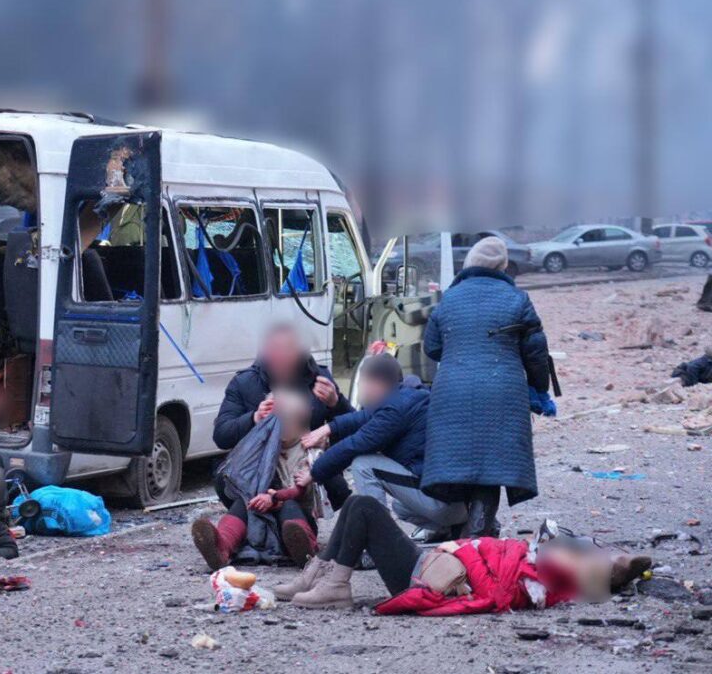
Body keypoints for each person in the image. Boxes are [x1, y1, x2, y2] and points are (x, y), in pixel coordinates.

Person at [273, 495, 651, 612]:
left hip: (428, 573)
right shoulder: (544, 568)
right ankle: (317, 577)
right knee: (358, 502)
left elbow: (490, 589)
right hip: (436, 560)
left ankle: (334, 583)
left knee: (366, 507)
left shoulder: (548, 576)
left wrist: (463, 551)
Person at [421, 236, 550, 538]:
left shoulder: (448, 299)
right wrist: (539, 389)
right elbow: (536, 353)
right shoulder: (517, 298)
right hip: (501, 389)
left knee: (462, 461)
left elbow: (432, 347)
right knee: (491, 467)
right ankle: (476, 537)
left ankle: (474, 532)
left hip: (452, 390)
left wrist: (461, 350)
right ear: (503, 266)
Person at [297, 354, 467, 542]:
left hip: (447, 503)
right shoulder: (407, 397)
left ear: (374, 384)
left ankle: (380, 542)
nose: (360, 387)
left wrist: (314, 473)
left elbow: (355, 445)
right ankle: (453, 529)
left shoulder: (396, 409)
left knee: (364, 464)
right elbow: (363, 419)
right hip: (458, 501)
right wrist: (328, 429)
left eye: (362, 381)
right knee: (401, 508)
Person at [213, 323, 354, 509]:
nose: (281, 356)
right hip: (259, 465)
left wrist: (336, 403)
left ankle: (301, 522)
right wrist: (255, 418)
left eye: (289, 349)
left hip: (305, 464)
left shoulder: (320, 378)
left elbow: (357, 433)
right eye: (274, 350)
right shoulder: (245, 382)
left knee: (337, 486)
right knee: (224, 481)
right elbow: (221, 436)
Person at [192, 391, 318, 569]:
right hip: (257, 515)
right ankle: (221, 547)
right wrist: (257, 418)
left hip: (294, 515)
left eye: (282, 420)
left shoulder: (309, 449)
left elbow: (300, 489)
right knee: (244, 503)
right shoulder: (261, 442)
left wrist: (275, 499)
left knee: (289, 507)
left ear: (299, 421)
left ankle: (306, 549)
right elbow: (236, 473)